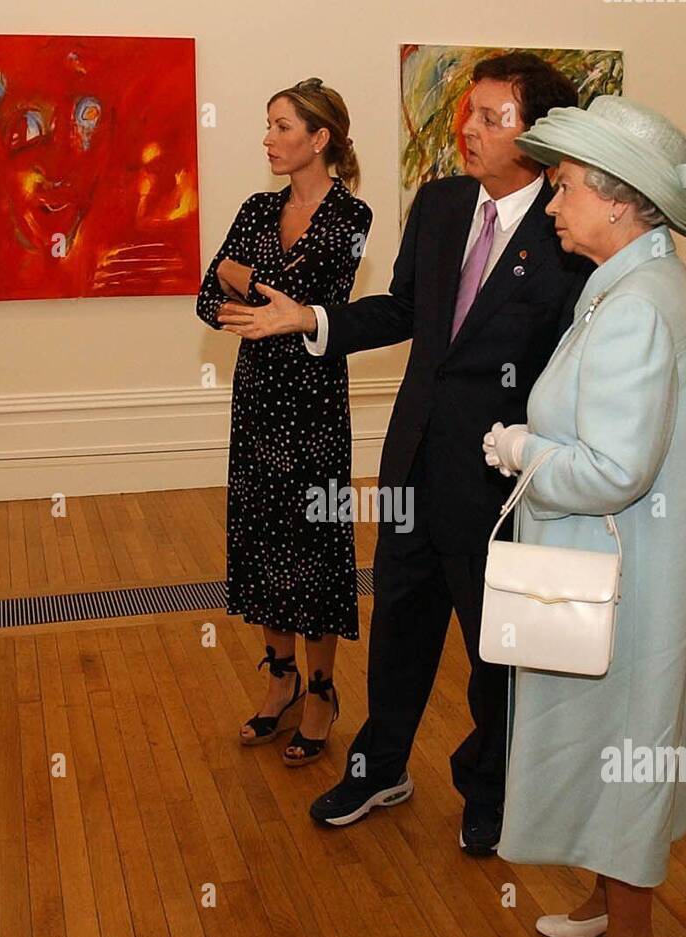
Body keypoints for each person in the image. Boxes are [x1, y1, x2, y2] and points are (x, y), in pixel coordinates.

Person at [219, 53, 592, 852]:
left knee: (496, 650)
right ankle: (380, 763)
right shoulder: (443, 202)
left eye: (495, 118)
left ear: (542, 136)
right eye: (470, 112)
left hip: (500, 482)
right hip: (412, 469)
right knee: (398, 631)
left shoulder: (570, 231)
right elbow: (400, 309)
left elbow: (574, 364)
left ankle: (489, 790)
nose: (470, 128)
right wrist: (312, 321)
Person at [481, 96, 686, 937]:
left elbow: (614, 469)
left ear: (623, 204)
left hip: (623, 577)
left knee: (623, 745)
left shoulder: (640, 307)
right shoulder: (632, 282)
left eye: (568, 187)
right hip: (619, 567)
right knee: (603, 743)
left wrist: (521, 451)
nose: (552, 205)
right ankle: (602, 900)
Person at [196, 78, 372, 766]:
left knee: (316, 543)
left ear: (319, 138)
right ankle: (280, 682)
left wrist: (247, 274)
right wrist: (244, 285)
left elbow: (308, 293)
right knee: (264, 533)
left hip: (316, 401)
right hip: (259, 394)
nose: (268, 139)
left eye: (281, 126)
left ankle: (323, 691)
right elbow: (208, 292)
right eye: (268, 126)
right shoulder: (256, 205)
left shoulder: (349, 216)